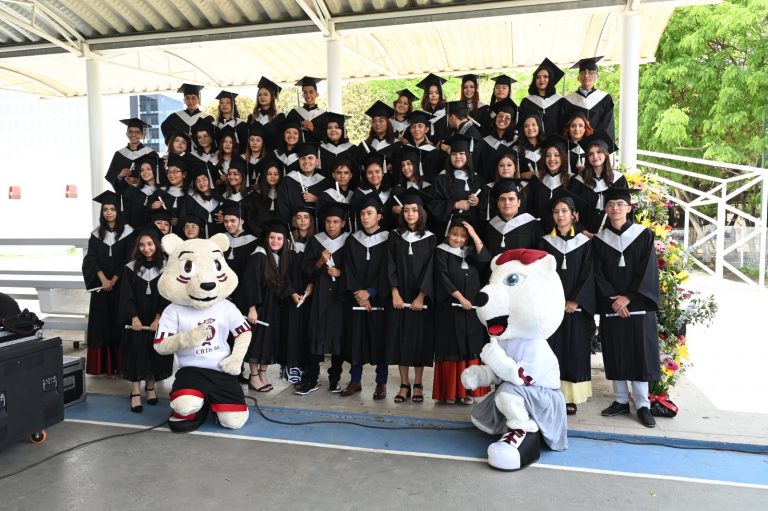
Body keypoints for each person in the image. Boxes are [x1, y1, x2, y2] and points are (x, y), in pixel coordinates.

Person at [592, 187, 660, 428]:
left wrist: (628, 297)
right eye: (611, 204)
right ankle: (621, 400)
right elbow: (597, 273)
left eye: (620, 204)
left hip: (638, 304)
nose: (615, 208)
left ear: (629, 208)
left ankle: (642, 404)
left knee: (640, 353)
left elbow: (648, 269)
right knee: (616, 350)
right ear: (606, 209)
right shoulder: (599, 240)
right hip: (612, 305)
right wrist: (614, 298)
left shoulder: (643, 235)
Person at [537, 191, 595, 415]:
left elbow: (589, 273)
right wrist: (552, 301)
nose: (560, 215)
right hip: (551, 308)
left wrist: (575, 300)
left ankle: (570, 397)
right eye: (556, 212)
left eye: (564, 211)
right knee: (550, 349)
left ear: (574, 215)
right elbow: (540, 275)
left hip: (575, 309)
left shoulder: (585, 243)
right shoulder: (544, 242)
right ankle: (549, 392)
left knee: (574, 349)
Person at [432, 216, 491, 404]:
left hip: (471, 312)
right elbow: (443, 278)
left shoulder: (470, 253)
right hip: (450, 310)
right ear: (448, 234)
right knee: (453, 348)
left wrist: (474, 235)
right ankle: (451, 392)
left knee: (470, 348)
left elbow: (485, 259)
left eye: (463, 236)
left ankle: (468, 392)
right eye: (455, 235)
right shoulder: (441, 252)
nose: (458, 239)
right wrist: (461, 298)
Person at [386, 188, 436, 404]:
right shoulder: (394, 236)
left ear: (421, 212)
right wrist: (394, 292)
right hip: (399, 297)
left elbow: (431, 269)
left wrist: (422, 295)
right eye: (406, 210)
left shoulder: (431, 238)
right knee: (401, 341)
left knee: (419, 342)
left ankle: (418, 384)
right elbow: (389, 265)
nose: (410, 214)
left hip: (419, 299)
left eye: (414, 210)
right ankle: (404, 384)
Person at [296, 202, 350, 395]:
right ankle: (311, 378)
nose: (331, 225)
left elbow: (356, 269)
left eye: (335, 222)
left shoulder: (349, 241)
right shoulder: (316, 241)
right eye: (328, 221)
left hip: (339, 297)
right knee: (315, 335)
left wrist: (341, 273)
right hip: (319, 296)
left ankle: (335, 379)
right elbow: (306, 268)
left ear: (343, 223)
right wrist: (320, 261)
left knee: (338, 338)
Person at [341, 195, 390, 399]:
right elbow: (348, 269)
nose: (365, 217)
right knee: (356, 340)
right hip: (357, 300)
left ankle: (381, 383)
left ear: (379, 216)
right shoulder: (353, 240)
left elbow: (388, 270)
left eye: (369, 213)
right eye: (362, 214)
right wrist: (359, 294)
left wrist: (371, 292)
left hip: (380, 299)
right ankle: (355, 380)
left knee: (381, 341)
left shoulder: (389, 239)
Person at [82, 191, 135, 376]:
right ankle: (105, 367)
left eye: (112, 209)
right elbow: (91, 258)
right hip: (102, 288)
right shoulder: (96, 234)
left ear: (118, 211)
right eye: (105, 209)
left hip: (121, 287)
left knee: (119, 323)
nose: (109, 212)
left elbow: (129, 258)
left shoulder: (128, 232)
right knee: (101, 325)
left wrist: (115, 278)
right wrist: (103, 279)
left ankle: (122, 366)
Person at [119, 229, 173, 413]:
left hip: (157, 318)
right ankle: (135, 391)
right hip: (137, 319)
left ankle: (150, 388)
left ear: (156, 245)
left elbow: (167, 295)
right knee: (136, 352)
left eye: (149, 244)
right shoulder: (130, 268)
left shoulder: (166, 268)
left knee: (154, 353)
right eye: (142, 245)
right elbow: (126, 294)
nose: (146, 248)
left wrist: (159, 317)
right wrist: (133, 316)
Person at [243, 219, 292, 393]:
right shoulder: (259, 255)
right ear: (266, 238)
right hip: (260, 306)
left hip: (273, 307)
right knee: (257, 341)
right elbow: (250, 283)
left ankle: (263, 375)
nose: (275, 241)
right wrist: (252, 308)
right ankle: (254, 376)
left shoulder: (280, 258)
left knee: (268, 341)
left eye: (279, 238)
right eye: (272, 237)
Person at [279, 206, 316, 385]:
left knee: (308, 332)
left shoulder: (316, 241)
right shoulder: (288, 242)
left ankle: (308, 373)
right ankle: (293, 372)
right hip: (291, 293)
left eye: (306, 217)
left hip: (310, 294)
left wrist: (312, 284)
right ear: (294, 220)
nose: (302, 220)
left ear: (311, 220)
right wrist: (291, 292)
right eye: (299, 217)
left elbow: (319, 267)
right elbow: (282, 270)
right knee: (292, 332)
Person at [568, 130, 627, 235]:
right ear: (587, 157)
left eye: (599, 152)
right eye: (591, 154)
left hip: (613, 235)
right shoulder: (578, 182)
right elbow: (570, 212)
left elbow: (626, 210)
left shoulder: (618, 180)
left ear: (606, 154)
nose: (595, 156)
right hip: (584, 236)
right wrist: (584, 233)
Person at [429, 133, 484, 235]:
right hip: (448, 230)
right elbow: (433, 204)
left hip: (472, 230)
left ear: (467, 155)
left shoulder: (477, 179)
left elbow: (486, 205)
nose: (458, 157)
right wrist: (455, 205)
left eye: (461, 153)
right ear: (450, 157)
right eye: (454, 154)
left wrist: (478, 202)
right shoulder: (441, 179)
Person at [481, 178, 543, 257]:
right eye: (502, 199)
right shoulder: (491, 226)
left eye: (511, 199)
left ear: (519, 202)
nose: (507, 203)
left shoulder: (532, 225)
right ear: (498, 203)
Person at [561, 56, 616, 141]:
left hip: (596, 146)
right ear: (578, 77)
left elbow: (607, 125)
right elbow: (563, 126)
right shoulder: (567, 100)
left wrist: (596, 144)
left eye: (590, 72)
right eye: (583, 72)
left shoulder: (605, 99)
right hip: (574, 145)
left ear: (597, 76)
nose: (586, 75)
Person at [276, 142, 331, 224]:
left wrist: (317, 200)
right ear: (298, 161)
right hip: (294, 227)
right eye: (303, 158)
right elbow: (283, 208)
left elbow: (329, 210)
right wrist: (291, 226)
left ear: (317, 161)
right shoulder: (287, 181)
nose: (306, 161)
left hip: (319, 227)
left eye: (310, 158)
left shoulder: (325, 183)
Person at [221, 200, 258, 315]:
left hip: (243, 292)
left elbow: (252, 274)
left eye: (233, 221)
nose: (229, 224)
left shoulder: (253, 242)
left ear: (241, 221)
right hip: (222, 292)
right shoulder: (221, 240)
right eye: (226, 221)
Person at [527, 135, 571, 232]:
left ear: (563, 157)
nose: (552, 159)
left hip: (563, 231)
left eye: (556, 155)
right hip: (539, 231)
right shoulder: (536, 180)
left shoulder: (571, 181)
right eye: (547, 155)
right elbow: (530, 208)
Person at [105, 118, 158, 190]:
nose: (133, 134)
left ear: (142, 135)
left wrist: (138, 181)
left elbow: (159, 176)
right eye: (130, 131)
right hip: (126, 194)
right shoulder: (119, 154)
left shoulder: (151, 154)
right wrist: (120, 175)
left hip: (146, 194)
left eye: (137, 132)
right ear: (127, 134)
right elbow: (111, 176)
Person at [519, 58, 565, 138]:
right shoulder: (526, 102)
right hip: (534, 143)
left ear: (550, 79)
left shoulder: (560, 101)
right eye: (538, 77)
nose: (541, 79)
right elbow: (522, 125)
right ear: (534, 80)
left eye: (545, 76)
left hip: (555, 142)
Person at [478, 98, 519, 183]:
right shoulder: (484, 141)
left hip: (508, 187)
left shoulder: (516, 142)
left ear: (511, 122)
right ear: (495, 118)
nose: (503, 119)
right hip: (486, 185)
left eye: (507, 118)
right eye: (500, 115)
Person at [359, 100, 402, 181]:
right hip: (368, 184)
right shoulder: (364, 145)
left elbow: (399, 168)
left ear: (387, 123)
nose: (377, 124)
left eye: (381, 120)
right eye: (374, 121)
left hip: (390, 184)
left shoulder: (397, 144)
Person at [148, 154, 188, 235]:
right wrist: (152, 207)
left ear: (184, 175)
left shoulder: (191, 195)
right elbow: (147, 215)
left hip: (183, 236)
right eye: (169, 172)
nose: (171, 175)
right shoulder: (160, 192)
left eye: (175, 171)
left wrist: (180, 221)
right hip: (159, 235)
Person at [402, 110, 445, 182]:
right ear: (410, 130)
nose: (416, 129)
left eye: (420, 126)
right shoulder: (404, 149)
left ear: (426, 129)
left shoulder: (433, 152)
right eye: (413, 127)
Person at [180, 167, 222, 239]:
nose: (201, 183)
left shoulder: (220, 199)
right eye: (198, 181)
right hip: (196, 241)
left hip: (216, 239)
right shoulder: (191, 199)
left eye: (204, 179)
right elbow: (183, 219)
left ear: (210, 180)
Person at [315, 112, 358, 178]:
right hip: (325, 184)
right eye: (329, 128)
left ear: (342, 130)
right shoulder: (320, 149)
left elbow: (356, 173)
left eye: (337, 127)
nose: (333, 130)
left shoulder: (352, 149)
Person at [245, 158, 281, 235]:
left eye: (276, 174)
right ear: (264, 176)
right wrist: (261, 234)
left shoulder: (284, 196)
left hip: (279, 237)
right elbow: (251, 219)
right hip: (259, 236)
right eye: (269, 174)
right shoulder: (255, 196)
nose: (272, 176)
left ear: (280, 176)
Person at [248, 76, 286, 150]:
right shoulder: (252, 117)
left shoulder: (279, 116)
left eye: (265, 94)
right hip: (256, 154)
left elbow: (281, 139)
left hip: (273, 153)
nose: (262, 97)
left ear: (272, 97)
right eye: (260, 95)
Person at [287, 76, 326, 142]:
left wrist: (313, 129)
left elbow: (328, 137)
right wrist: (299, 129)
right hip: (299, 148)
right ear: (303, 95)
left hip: (318, 148)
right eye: (305, 92)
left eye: (311, 92)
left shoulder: (324, 115)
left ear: (317, 94)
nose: (308, 95)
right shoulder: (294, 113)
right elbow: (286, 131)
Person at [416, 73, 449, 143]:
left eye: (437, 93)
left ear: (441, 94)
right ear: (426, 95)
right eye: (430, 93)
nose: (434, 95)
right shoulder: (422, 114)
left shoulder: (447, 112)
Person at [516, 112, 546, 181]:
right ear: (523, 130)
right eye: (526, 126)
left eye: (533, 125)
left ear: (539, 127)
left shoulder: (547, 147)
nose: (530, 128)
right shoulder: (517, 149)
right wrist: (522, 175)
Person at [244, 123, 268, 189]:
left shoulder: (267, 160)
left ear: (263, 142)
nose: (254, 143)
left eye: (258, 140)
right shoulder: (242, 159)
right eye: (252, 140)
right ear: (248, 141)